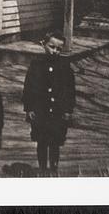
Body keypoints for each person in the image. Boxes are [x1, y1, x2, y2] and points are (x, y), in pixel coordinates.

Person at [21, 31, 76, 177]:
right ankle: (42, 168)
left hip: (58, 113)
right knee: (41, 141)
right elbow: (28, 87)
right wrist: (29, 108)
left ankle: (53, 169)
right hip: (40, 112)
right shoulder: (36, 65)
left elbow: (70, 90)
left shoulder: (65, 67)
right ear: (43, 45)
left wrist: (68, 110)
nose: (55, 51)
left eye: (59, 49)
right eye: (52, 47)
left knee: (55, 142)